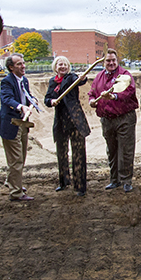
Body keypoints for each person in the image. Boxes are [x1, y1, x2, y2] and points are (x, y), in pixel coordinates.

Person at [89, 48, 138, 193]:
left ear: (117, 61)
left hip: (124, 118)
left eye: (113, 60)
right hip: (107, 119)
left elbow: (129, 91)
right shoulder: (98, 77)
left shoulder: (125, 75)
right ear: (103, 62)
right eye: (108, 61)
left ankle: (126, 180)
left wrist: (114, 97)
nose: (111, 63)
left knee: (126, 151)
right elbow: (92, 92)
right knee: (112, 151)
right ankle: (114, 180)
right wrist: (92, 100)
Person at [44, 56, 90, 197]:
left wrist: (82, 78)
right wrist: (51, 101)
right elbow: (46, 99)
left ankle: (80, 186)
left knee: (78, 154)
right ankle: (64, 182)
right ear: (55, 66)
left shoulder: (71, 78)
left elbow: (81, 80)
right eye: (59, 64)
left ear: (68, 66)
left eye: (65, 64)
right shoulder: (53, 81)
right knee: (61, 153)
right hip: (60, 122)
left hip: (75, 121)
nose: (62, 66)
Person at [0, 53, 37, 201]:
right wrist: (21, 107)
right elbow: (6, 99)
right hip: (10, 124)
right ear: (11, 67)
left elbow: (26, 95)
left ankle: (12, 181)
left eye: (23, 63)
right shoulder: (7, 81)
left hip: (22, 124)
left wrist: (32, 100)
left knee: (21, 157)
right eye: (19, 64)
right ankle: (16, 193)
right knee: (16, 160)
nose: (23, 66)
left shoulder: (24, 80)